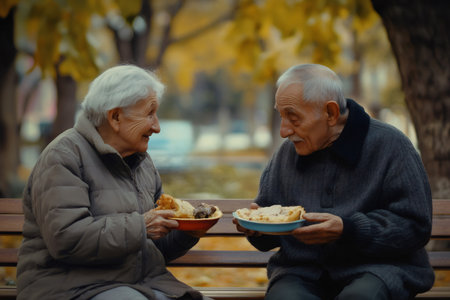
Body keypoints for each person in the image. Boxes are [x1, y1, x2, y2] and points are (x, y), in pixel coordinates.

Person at [233, 64, 434, 300]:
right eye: (281, 116)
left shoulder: (391, 146)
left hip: (378, 269)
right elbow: (270, 232)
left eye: (293, 117)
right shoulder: (286, 153)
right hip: (302, 272)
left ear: (330, 113)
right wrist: (257, 229)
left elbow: (415, 226)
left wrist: (349, 229)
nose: (284, 131)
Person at [17, 65, 213, 300]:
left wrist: (189, 231)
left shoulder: (142, 163)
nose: (157, 126)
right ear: (115, 117)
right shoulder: (63, 156)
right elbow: (66, 240)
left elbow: (152, 247)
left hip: (138, 284)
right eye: (149, 113)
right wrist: (141, 227)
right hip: (69, 287)